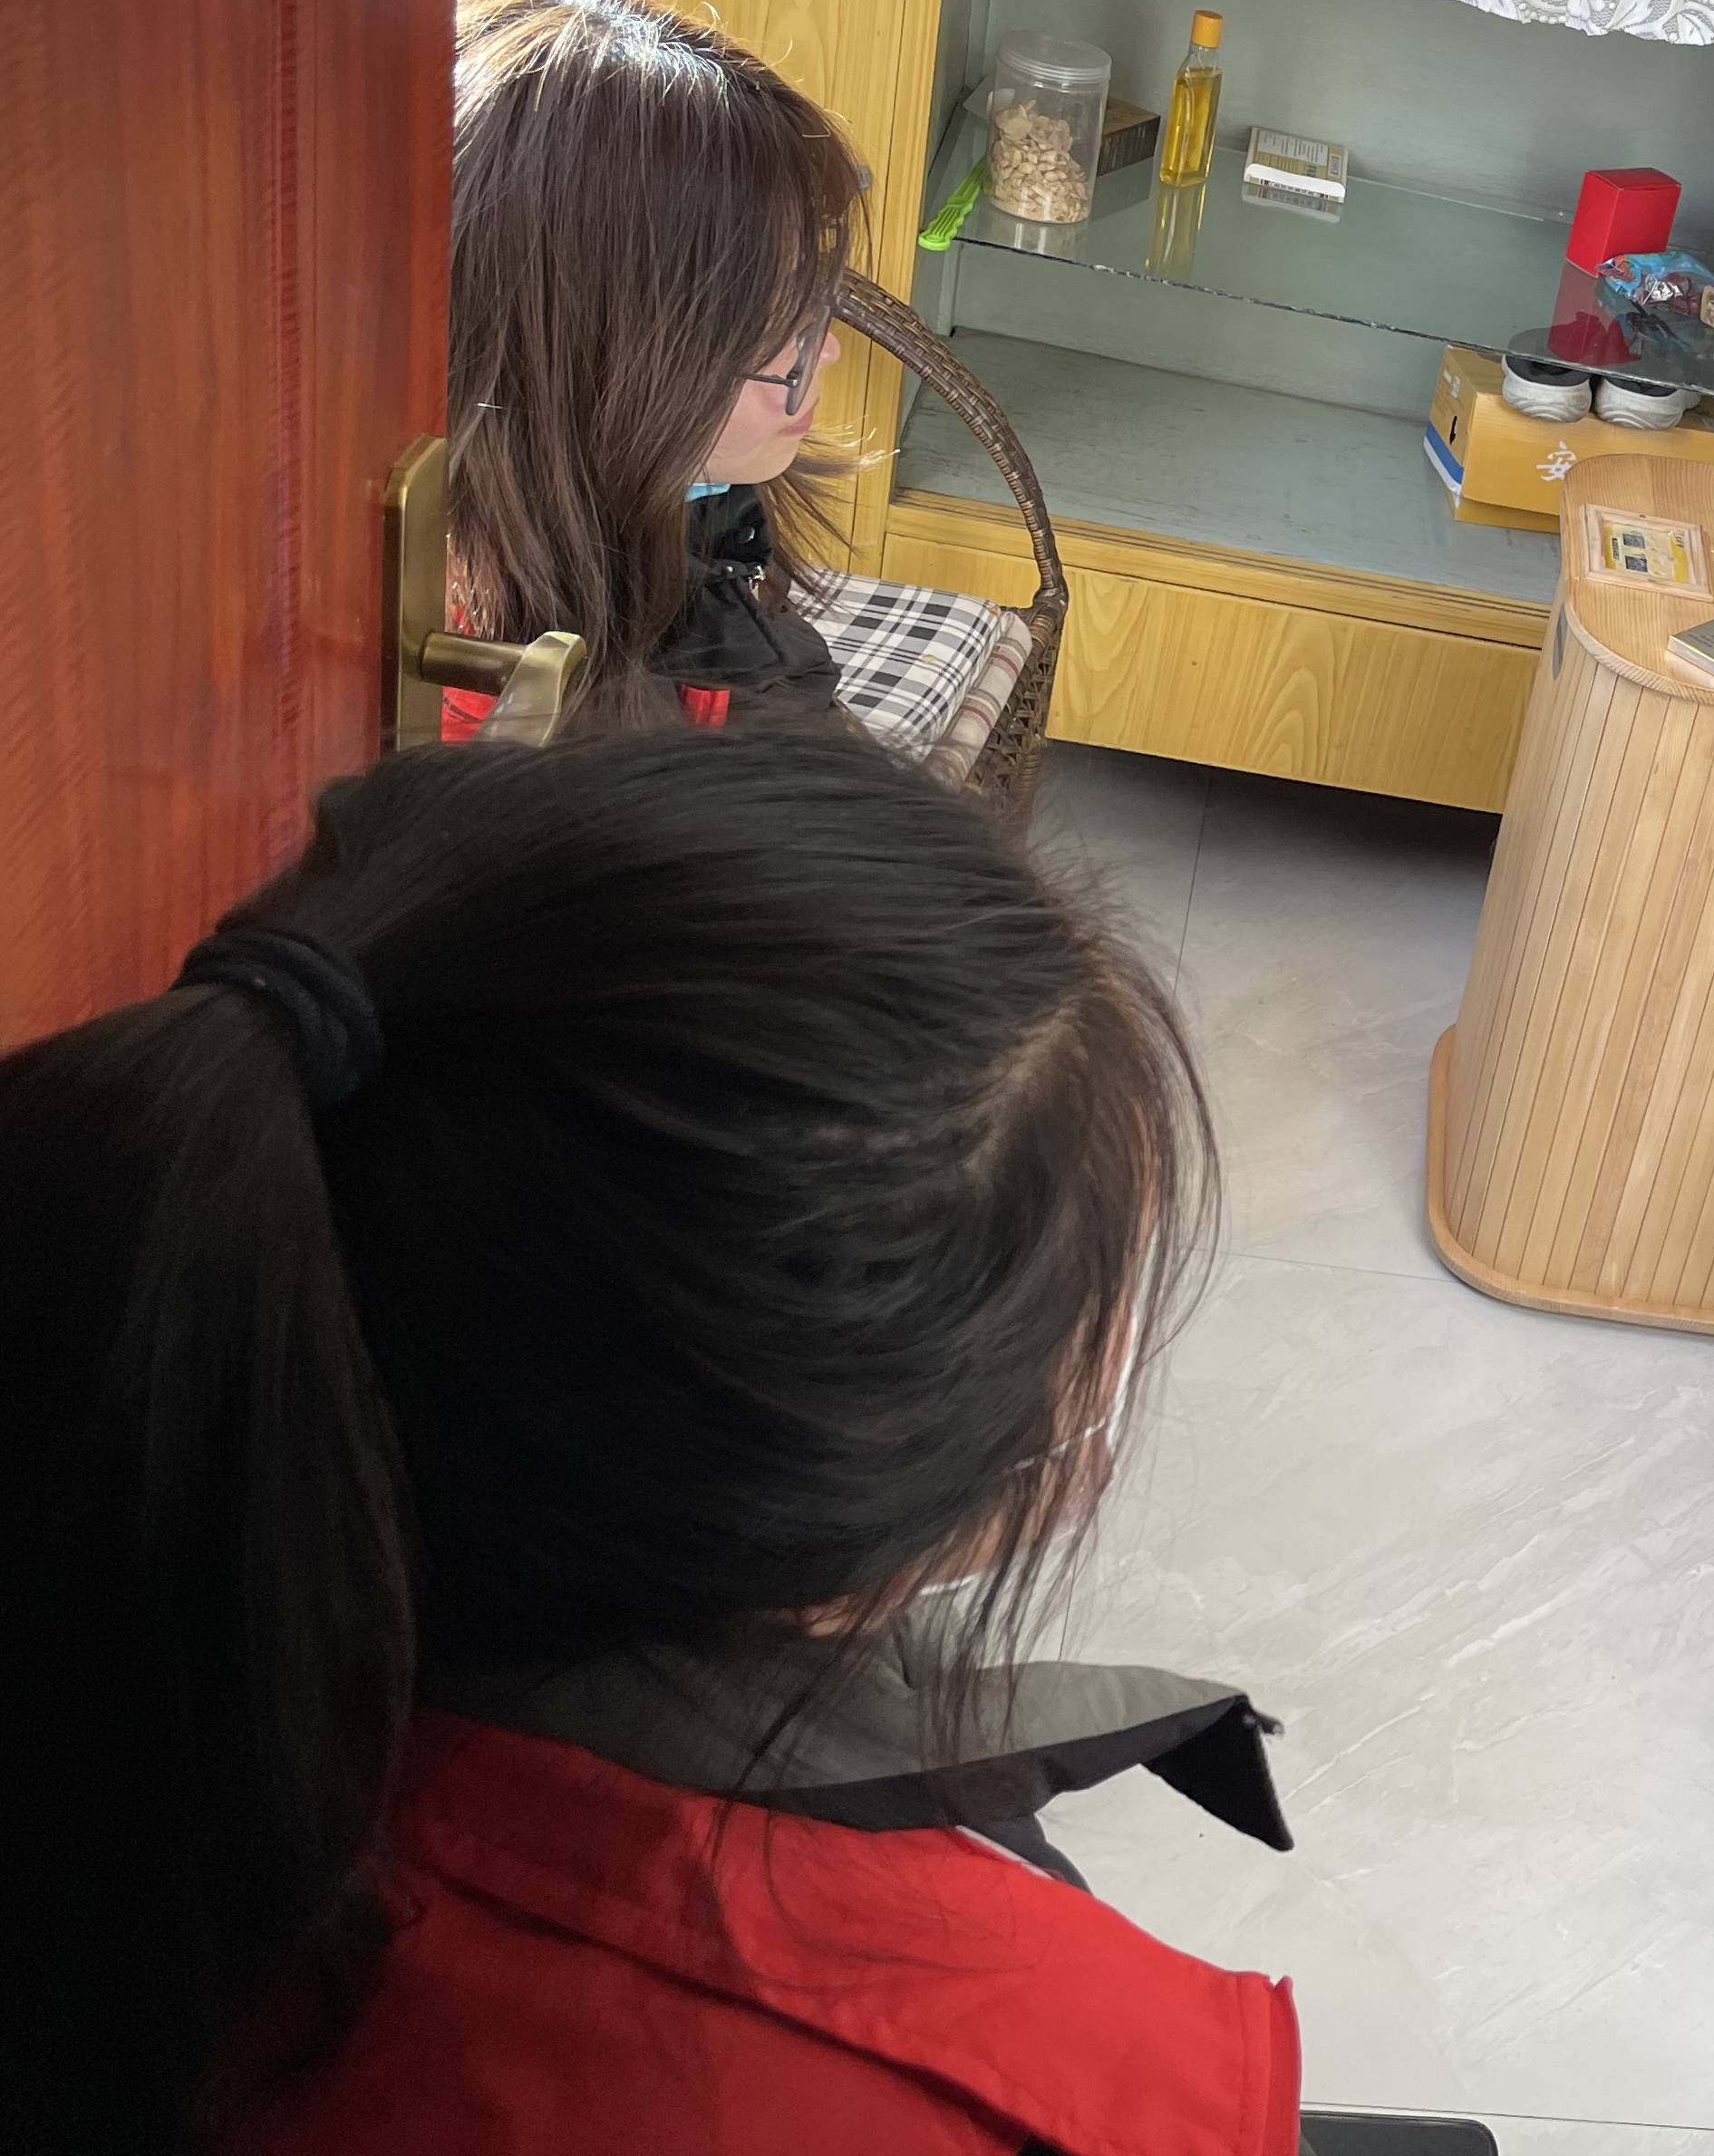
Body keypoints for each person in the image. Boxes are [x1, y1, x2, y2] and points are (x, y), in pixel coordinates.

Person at [8, 724, 1299, 2156]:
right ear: (828, 1501)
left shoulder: (123, 1561)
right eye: (1090, 1321)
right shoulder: (1023, 2088)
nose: (1099, 1394)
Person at [444, 0, 859, 732]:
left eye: (808, 296)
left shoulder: (686, 515)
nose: (824, 350)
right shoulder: (510, 709)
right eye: (766, 322)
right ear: (602, 356)